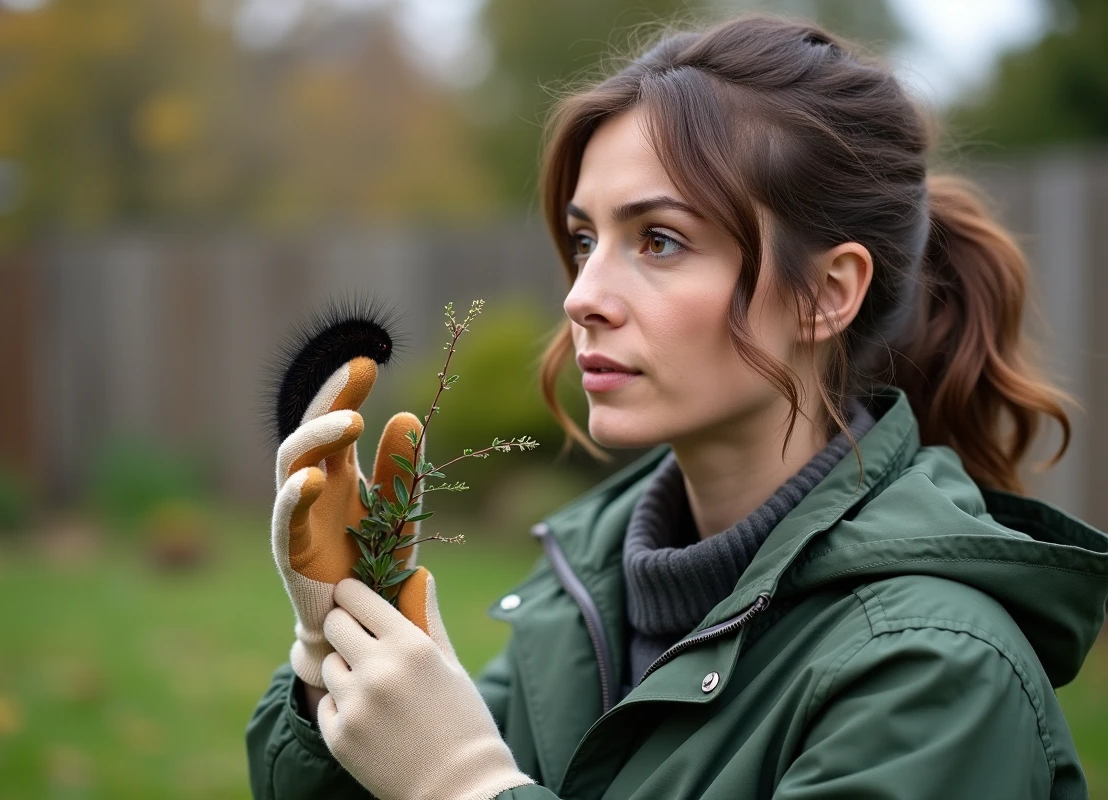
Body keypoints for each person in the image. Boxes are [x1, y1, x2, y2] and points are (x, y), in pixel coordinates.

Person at [245, 13, 1108, 800]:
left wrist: (463, 785)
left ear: (826, 294)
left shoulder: (934, 667)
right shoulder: (581, 607)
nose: (583, 294)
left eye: (658, 240)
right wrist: (341, 652)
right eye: (586, 239)